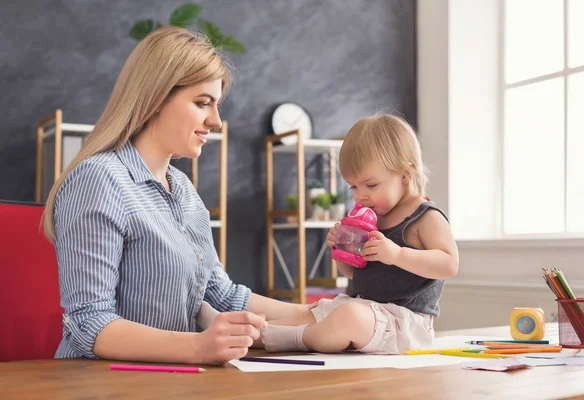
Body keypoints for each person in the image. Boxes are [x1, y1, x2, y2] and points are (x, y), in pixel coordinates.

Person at [42, 26, 308, 365]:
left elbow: (220, 295)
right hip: (100, 382)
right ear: (155, 99)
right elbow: (89, 323)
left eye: (216, 105)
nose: (216, 121)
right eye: (202, 103)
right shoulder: (98, 180)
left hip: (169, 379)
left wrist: (316, 312)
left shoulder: (182, 189)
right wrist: (198, 347)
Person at [253, 114, 459, 354]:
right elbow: (354, 273)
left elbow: (449, 264)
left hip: (404, 323)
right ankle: (240, 333)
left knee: (347, 316)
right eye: (353, 186)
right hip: (365, 309)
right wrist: (342, 254)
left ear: (405, 174)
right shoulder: (372, 217)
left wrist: (396, 254)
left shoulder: (425, 216)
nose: (360, 195)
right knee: (316, 312)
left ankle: (294, 338)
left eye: (371, 185)